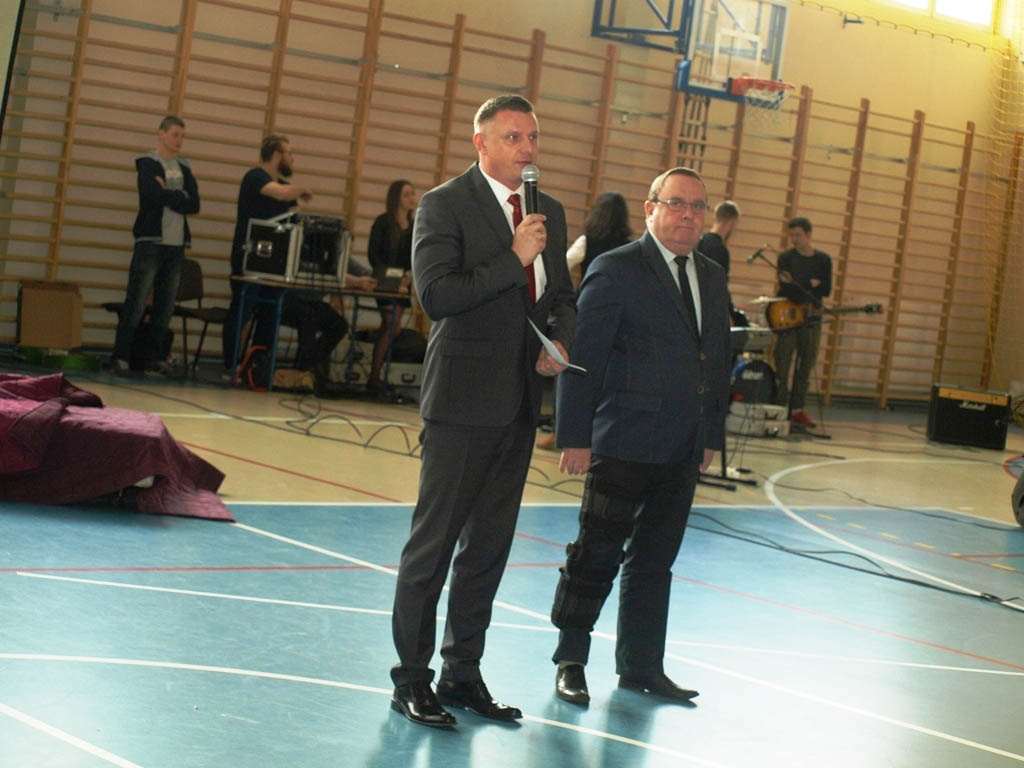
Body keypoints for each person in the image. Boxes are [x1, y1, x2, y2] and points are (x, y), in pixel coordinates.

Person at [389, 95, 576, 728]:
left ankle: (462, 674)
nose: (527, 148)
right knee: (433, 548)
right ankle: (411, 680)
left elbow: (561, 297)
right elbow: (437, 295)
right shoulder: (444, 205)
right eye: (513, 137)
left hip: (519, 401)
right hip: (461, 403)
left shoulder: (549, 211)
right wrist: (512, 258)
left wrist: (560, 341)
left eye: (533, 137)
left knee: (487, 551)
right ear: (481, 143)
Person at [549, 167, 731, 708]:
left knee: (655, 562)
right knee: (595, 555)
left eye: (697, 207)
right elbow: (584, 357)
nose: (688, 215)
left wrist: (710, 432)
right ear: (651, 208)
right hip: (623, 440)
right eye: (676, 204)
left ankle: (641, 666)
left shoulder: (711, 275)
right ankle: (570, 660)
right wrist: (574, 435)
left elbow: (716, 359)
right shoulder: (615, 268)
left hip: (681, 445)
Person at [538, 191, 632, 450]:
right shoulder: (628, 247)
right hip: (620, 320)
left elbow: (561, 268)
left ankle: (560, 431)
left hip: (586, 314)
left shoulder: (587, 241)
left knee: (571, 373)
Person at [111, 115, 200, 375]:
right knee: (137, 302)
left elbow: (194, 204)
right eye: (175, 134)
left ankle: (153, 358)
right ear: (161, 134)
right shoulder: (148, 164)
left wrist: (168, 194)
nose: (179, 140)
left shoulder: (184, 167)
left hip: (176, 245)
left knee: (165, 306)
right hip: (151, 242)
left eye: (182, 136)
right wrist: (179, 195)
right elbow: (151, 196)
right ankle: (121, 356)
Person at [221, 134, 313, 373]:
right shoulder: (255, 177)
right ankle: (231, 365)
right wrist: (301, 189)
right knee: (243, 311)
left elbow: (294, 216)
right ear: (276, 155)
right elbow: (280, 193)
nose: (292, 158)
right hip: (249, 257)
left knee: (270, 314)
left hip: (275, 264)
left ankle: (257, 367)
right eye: (289, 153)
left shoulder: (284, 185)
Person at [773, 216, 832, 429]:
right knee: (783, 361)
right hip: (788, 317)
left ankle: (798, 409)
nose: (794, 239)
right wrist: (810, 283)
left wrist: (800, 282)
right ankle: (779, 406)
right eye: (792, 235)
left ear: (808, 235)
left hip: (811, 318)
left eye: (798, 235)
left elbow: (825, 289)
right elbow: (787, 287)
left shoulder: (823, 260)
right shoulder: (786, 258)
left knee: (806, 364)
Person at [366, 179, 416, 392]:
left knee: (389, 327)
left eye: (412, 193)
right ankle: (374, 376)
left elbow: (415, 257)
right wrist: (389, 277)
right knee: (393, 325)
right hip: (384, 282)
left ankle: (375, 374)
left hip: (403, 283)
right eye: (406, 194)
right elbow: (373, 254)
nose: (411, 198)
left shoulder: (415, 226)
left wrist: (407, 276)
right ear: (396, 198)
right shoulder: (383, 222)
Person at [696, 200, 742, 324]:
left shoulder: (699, 242)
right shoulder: (720, 249)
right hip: (710, 309)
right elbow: (720, 286)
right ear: (733, 222)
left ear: (715, 217)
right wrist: (729, 312)